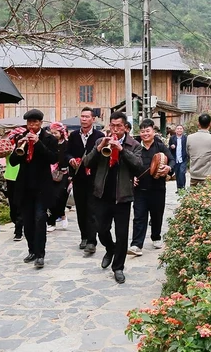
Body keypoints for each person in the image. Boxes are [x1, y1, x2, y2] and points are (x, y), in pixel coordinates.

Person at [84, 111, 142, 284]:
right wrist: (99, 147)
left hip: (122, 196)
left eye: (119, 126)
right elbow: (87, 163)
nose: (115, 129)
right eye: (113, 125)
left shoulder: (134, 145)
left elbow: (138, 166)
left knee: (122, 234)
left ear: (125, 127)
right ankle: (110, 248)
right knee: (101, 229)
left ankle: (118, 268)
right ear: (109, 126)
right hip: (102, 194)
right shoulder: (99, 141)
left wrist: (122, 150)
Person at [9, 109, 59, 269]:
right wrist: (19, 146)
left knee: (39, 220)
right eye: (29, 123)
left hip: (41, 187)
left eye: (35, 123)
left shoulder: (49, 138)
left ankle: (40, 255)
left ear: (41, 123)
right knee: (28, 222)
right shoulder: (19, 137)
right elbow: (13, 161)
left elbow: (53, 158)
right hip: (25, 187)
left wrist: (38, 143)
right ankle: (31, 250)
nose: (32, 126)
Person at [129, 119, 174, 256]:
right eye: (142, 131)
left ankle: (156, 236)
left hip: (157, 188)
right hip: (140, 189)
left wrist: (168, 168)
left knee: (156, 215)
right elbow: (128, 164)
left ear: (153, 132)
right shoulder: (135, 146)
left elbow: (171, 160)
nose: (145, 134)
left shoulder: (160, 146)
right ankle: (136, 244)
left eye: (147, 131)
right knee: (139, 216)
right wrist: (132, 178)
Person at [67, 107, 104, 256]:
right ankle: (83, 236)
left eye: (87, 117)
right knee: (81, 209)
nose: (84, 119)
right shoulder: (74, 135)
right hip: (78, 178)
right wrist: (70, 160)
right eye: (82, 116)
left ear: (93, 119)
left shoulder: (99, 136)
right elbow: (66, 152)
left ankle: (91, 241)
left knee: (92, 209)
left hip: (93, 178)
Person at [46, 122, 71, 232]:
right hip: (50, 173)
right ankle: (51, 222)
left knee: (61, 197)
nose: (54, 135)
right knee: (51, 198)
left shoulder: (67, 144)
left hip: (64, 174)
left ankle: (62, 214)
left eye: (55, 133)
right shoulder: (50, 143)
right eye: (52, 133)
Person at [187, 113, 211, 187]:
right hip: (209, 175)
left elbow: (188, 152)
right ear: (210, 124)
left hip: (194, 174)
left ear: (198, 124)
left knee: (193, 197)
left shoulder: (190, 138)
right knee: (208, 197)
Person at [2, 156, 24, 241]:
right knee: (12, 205)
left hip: (23, 177)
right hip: (10, 177)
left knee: (20, 204)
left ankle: (18, 230)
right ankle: (18, 223)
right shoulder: (8, 143)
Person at [168, 124, 188, 191]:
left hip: (183, 158)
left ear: (183, 130)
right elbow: (169, 149)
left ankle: (183, 187)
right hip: (175, 158)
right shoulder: (172, 138)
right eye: (178, 129)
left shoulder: (185, 138)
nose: (179, 130)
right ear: (175, 130)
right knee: (177, 173)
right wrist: (171, 147)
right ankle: (178, 188)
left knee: (182, 172)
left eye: (180, 129)